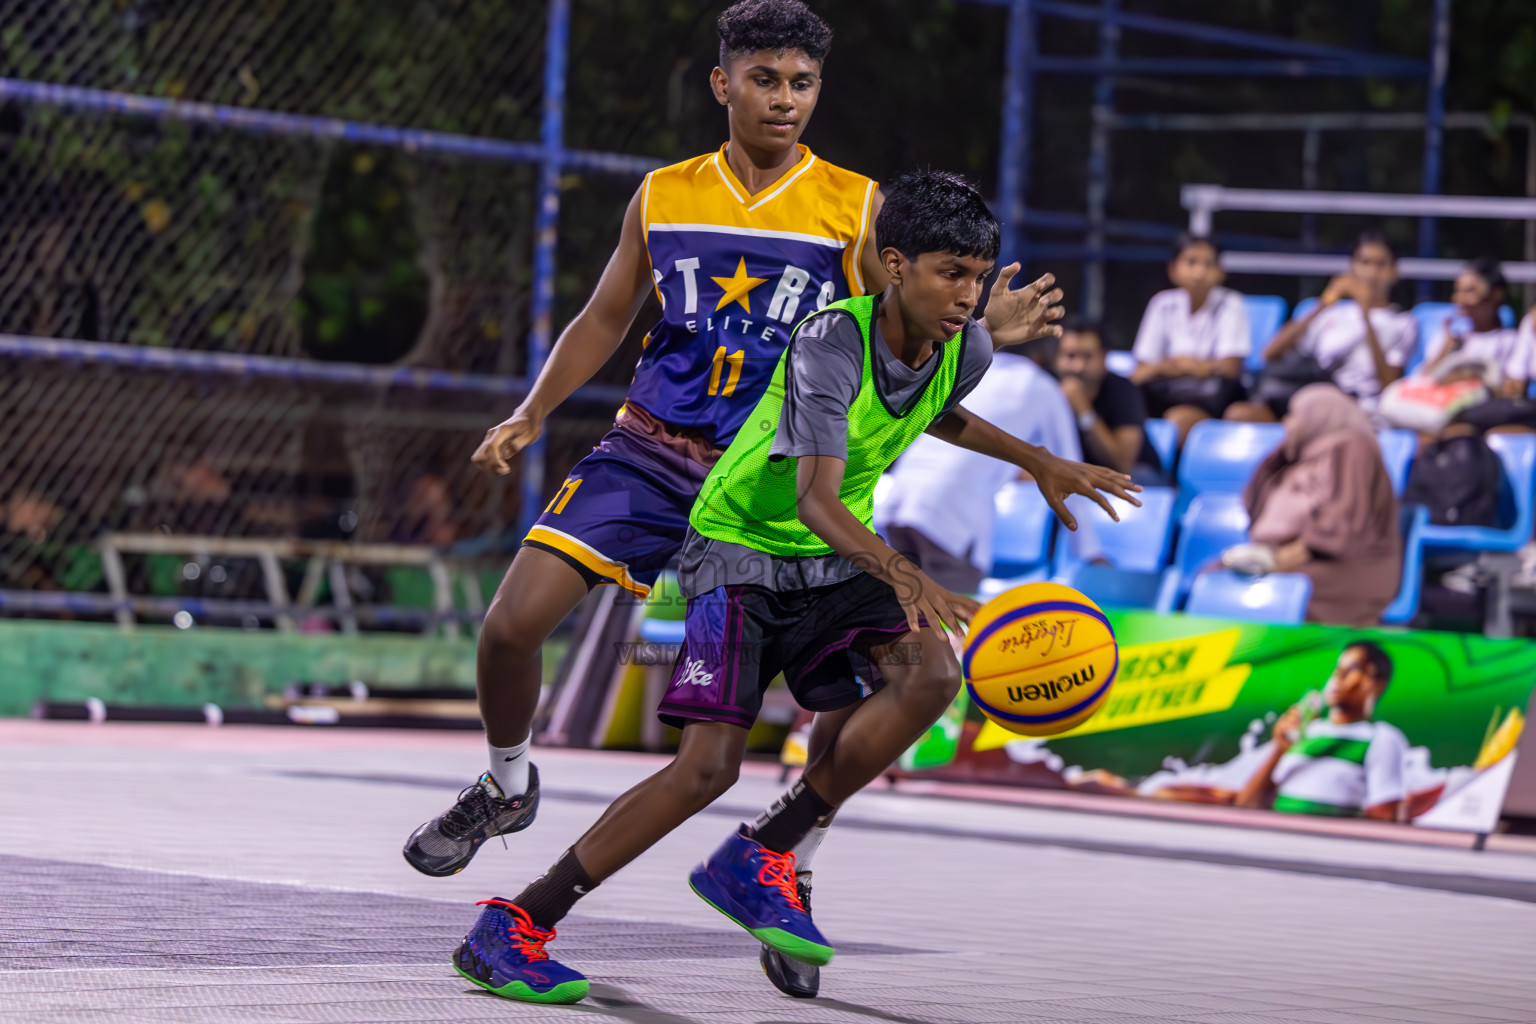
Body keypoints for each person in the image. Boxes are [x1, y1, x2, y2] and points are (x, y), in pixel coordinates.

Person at [406, 0, 1125, 999]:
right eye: (766, 80)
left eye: (802, 83)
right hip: (673, 463)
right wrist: (533, 409)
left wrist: (1014, 415)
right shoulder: (665, 194)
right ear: (723, 84)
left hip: (790, 483)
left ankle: (786, 855)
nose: (784, 99)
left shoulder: (861, 209)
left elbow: (904, 369)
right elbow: (606, 314)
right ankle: (507, 783)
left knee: (885, 684)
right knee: (513, 627)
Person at [876, 332, 1103, 594]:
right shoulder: (1041, 386)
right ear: (1043, 357)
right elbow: (1068, 476)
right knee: (954, 625)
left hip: (896, 504)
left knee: (906, 617)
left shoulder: (965, 370)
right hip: (950, 518)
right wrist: (1092, 554)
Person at [1219, 384, 1400, 626]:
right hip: (1287, 557)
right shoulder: (1304, 455)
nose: (1287, 423)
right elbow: (1255, 497)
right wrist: (1283, 452)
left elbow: (1340, 526)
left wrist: (1277, 562)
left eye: (1294, 415)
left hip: (1342, 568)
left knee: (1261, 588)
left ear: (1320, 416)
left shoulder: (1353, 448)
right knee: (1213, 575)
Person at [1227, 231, 1416, 422]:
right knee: (1240, 414)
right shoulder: (1330, 313)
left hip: (1358, 406)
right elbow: (1270, 353)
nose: (1372, 273)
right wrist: (1324, 304)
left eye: (1381, 264)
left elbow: (1389, 385)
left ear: (1394, 272)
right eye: (1364, 263)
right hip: (1308, 395)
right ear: (1352, 268)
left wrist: (1366, 314)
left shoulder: (1402, 323)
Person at [1236, 642, 1407, 821]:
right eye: (1337, 668)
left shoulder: (1381, 737)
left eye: (1352, 669)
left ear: (1375, 683)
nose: (1338, 676)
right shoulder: (1304, 731)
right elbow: (1246, 806)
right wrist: (1279, 749)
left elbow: (1385, 816)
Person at [1129, 234, 1250, 440]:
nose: (1200, 272)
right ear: (1173, 268)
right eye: (1191, 262)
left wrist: (1170, 365)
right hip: (1163, 397)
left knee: (1180, 421)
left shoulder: (1231, 303)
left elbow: (1230, 369)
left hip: (1210, 402)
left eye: (1208, 263)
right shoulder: (1161, 303)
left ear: (1221, 271)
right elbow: (1141, 370)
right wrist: (1190, 365)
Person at [1055, 316, 1163, 482]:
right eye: (1070, 356)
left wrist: (1083, 410)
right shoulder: (1049, 389)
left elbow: (1122, 465)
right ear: (1057, 359)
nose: (1078, 367)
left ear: (1103, 358)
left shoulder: (1124, 390)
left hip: (1138, 476)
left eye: (1087, 356)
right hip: (1080, 472)